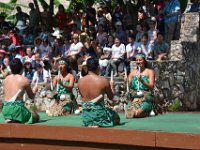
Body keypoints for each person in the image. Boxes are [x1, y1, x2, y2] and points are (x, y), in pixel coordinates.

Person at [78, 57, 120, 128]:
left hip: (86, 117)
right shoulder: (104, 80)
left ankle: (91, 123)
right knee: (116, 118)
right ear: (98, 67)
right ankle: (97, 123)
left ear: (87, 68)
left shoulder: (80, 81)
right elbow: (111, 97)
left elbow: (83, 96)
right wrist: (112, 86)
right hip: (100, 115)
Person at [2, 58, 39, 123]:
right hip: (17, 110)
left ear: (10, 69)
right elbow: (31, 96)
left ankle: (12, 118)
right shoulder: (24, 80)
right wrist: (35, 91)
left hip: (5, 110)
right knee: (36, 116)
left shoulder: (5, 79)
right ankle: (16, 119)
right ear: (22, 69)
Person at [125, 53, 155, 118]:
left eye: (140, 60)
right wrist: (125, 81)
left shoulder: (150, 72)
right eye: (137, 60)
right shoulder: (132, 73)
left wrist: (142, 81)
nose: (138, 62)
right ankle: (136, 108)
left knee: (137, 114)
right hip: (135, 98)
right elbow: (128, 86)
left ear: (144, 61)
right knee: (129, 114)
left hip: (145, 98)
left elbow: (151, 87)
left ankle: (149, 109)